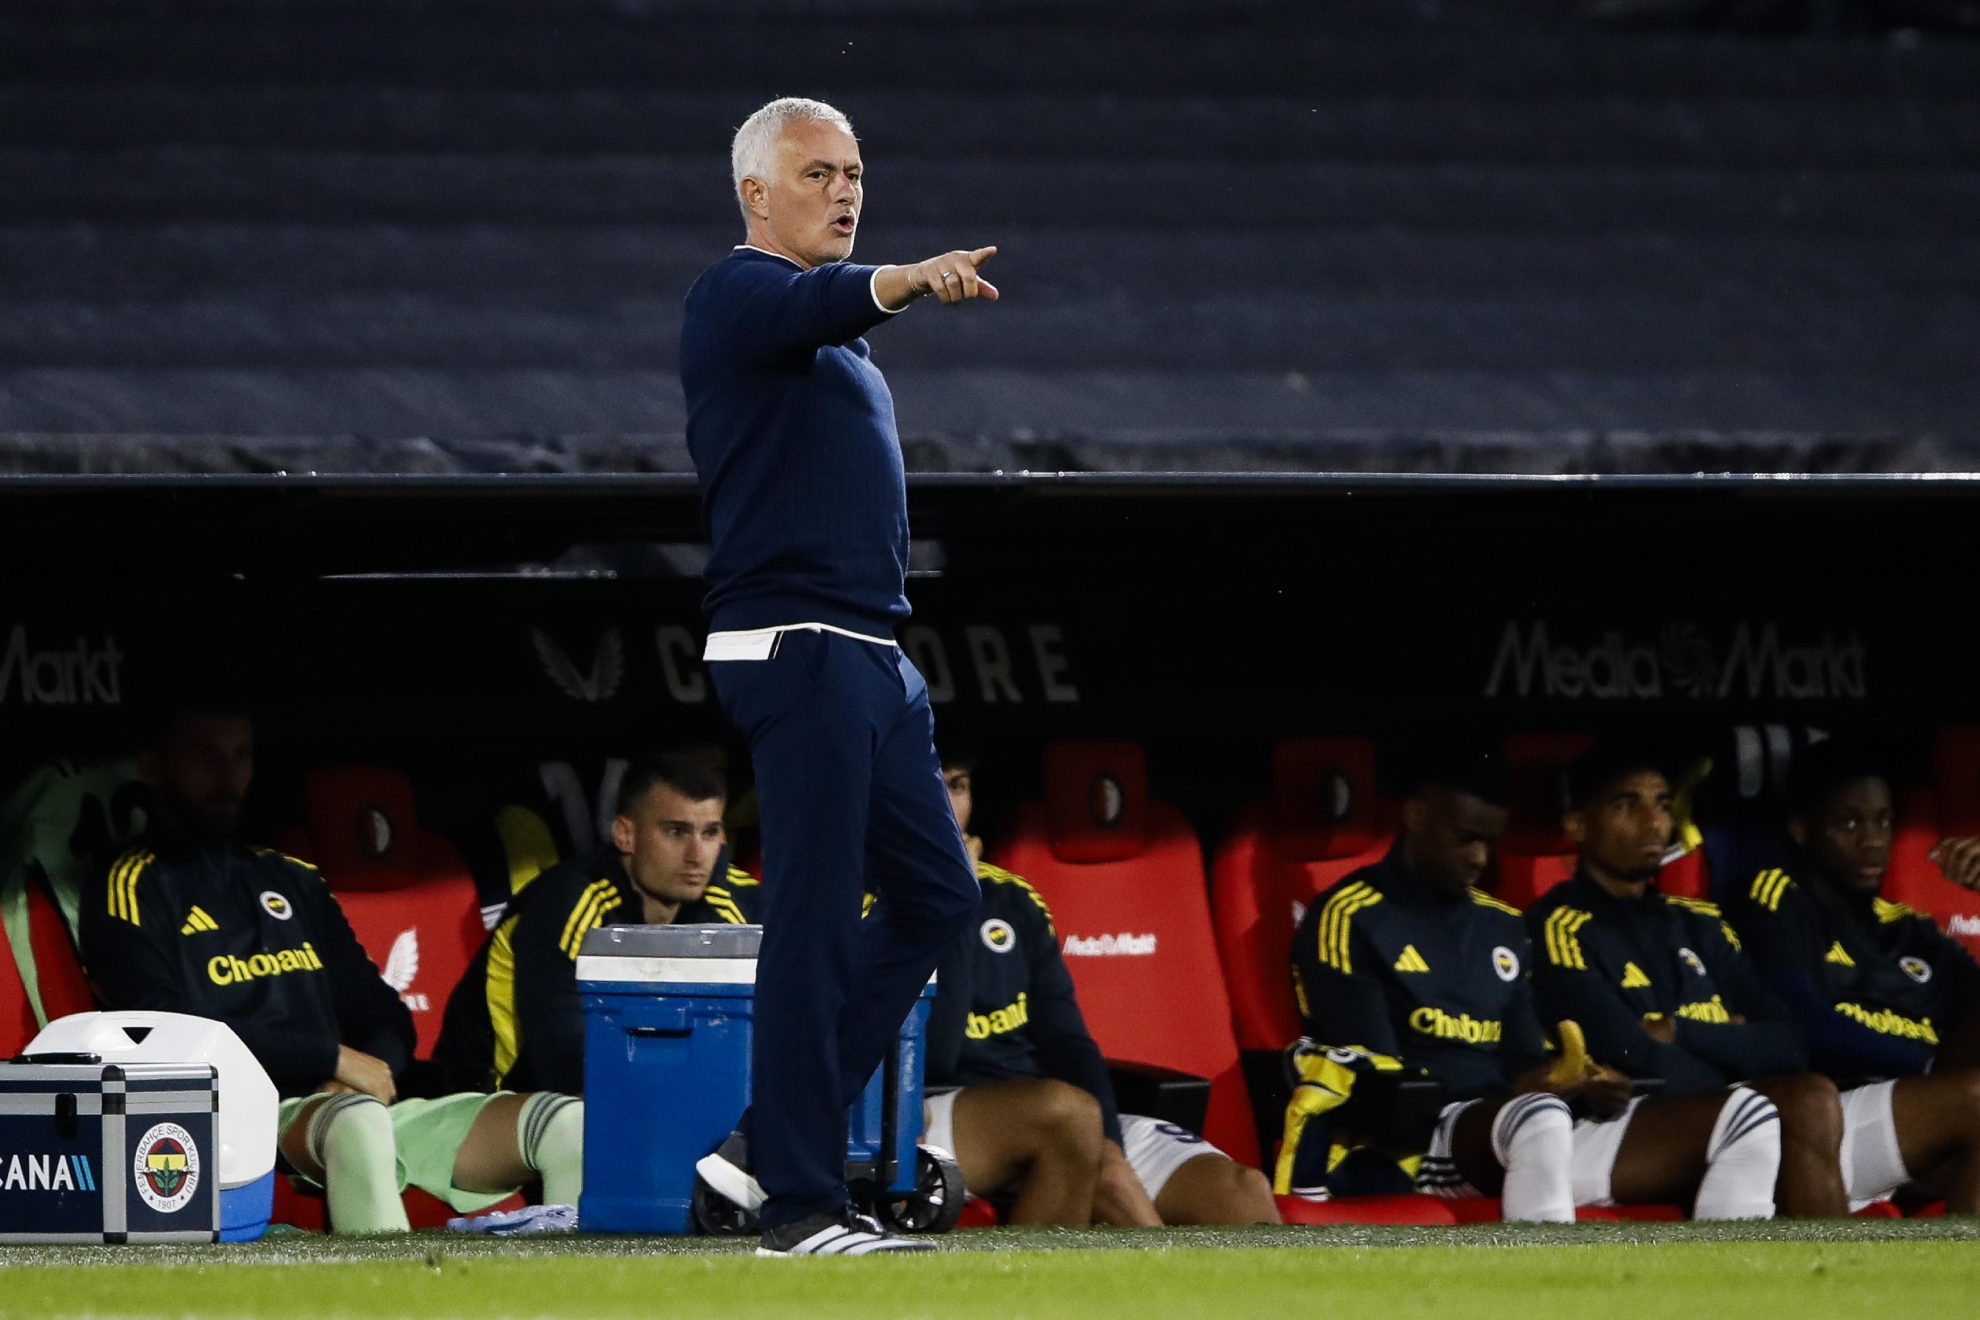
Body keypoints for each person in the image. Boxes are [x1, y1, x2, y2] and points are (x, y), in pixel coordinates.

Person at [681, 95, 994, 1257]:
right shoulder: (737, 292)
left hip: (870, 652)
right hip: (795, 641)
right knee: (811, 923)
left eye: (855, 172)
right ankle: (800, 1207)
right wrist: (907, 280)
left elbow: (832, 313)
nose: (846, 191)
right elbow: (823, 300)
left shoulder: (837, 341)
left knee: (940, 897)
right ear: (757, 193)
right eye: (818, 173)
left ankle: (767, 1143)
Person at [79, 690, 582, 1234]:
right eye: (205, 755)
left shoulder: (291, 878)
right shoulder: (127, 885)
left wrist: (369, 1074)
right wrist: (332, 1058)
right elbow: (164, 1029)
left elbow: (382, 1011)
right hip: (236, 1121)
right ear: (153, 764)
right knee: (359, 1126)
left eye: (241, 754)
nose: (228, 774)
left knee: (566, 1123)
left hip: (351, 1106)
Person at [1283, 742, 1783, 1222]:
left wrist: (1577, 1084)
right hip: (1419, 1144)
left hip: (1521, 1128)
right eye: (1466, 838)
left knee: (1750, 1116)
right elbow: (1380, 1084)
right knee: (1538, 1117)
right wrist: (1526, 1094)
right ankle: (1543, 1274)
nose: (1480, 858)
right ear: (1416, 815)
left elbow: (1524, 1062)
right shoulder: (1351, 916)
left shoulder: (1502, 925)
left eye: (1490, 842)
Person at [918, 748, 1278, 1226]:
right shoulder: (869, 897)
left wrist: (1108, 1146)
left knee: (1241, 1191)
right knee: (1065, 1117)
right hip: (931, 1113)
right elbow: (936, 1054)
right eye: (930, 782)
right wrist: (955, 899)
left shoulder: (1015, 898)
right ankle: (1154, 1270)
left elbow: (1068, 1041)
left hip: (1058, 1115)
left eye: (957, 786)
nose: (946, 802)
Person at [1525, 741, 1851, 1215]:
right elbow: (1632, 1055)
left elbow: (1791, 1044)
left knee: (1804, 1102)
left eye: (1661, 804)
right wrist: (1737, 1052)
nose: (1654, 822)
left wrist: (1681, 1032)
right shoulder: (1558, 927)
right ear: (1577, 824)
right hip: (1624, 1125)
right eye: (1626, 805)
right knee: (1801, 1101)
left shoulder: (1702, 922)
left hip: (1727, 1109)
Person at [1727, 740, 1980, 1213]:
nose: (1872, 840)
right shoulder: (1774, 902)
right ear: (1801, 827)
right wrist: (1931, 1066)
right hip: (1829, 1117)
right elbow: (1800, 1022)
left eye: (1883, 821)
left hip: (1926, 1107)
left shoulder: (1909, 931)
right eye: (1848, 823)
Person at [434, 754, 758, 1096]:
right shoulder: (568, 906)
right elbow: (568, 1071)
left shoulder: (737, 903)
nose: (697, 855)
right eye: (676, 832)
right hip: (496, 1098)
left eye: (710, 833)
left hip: (636, 1096)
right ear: (625, 834)